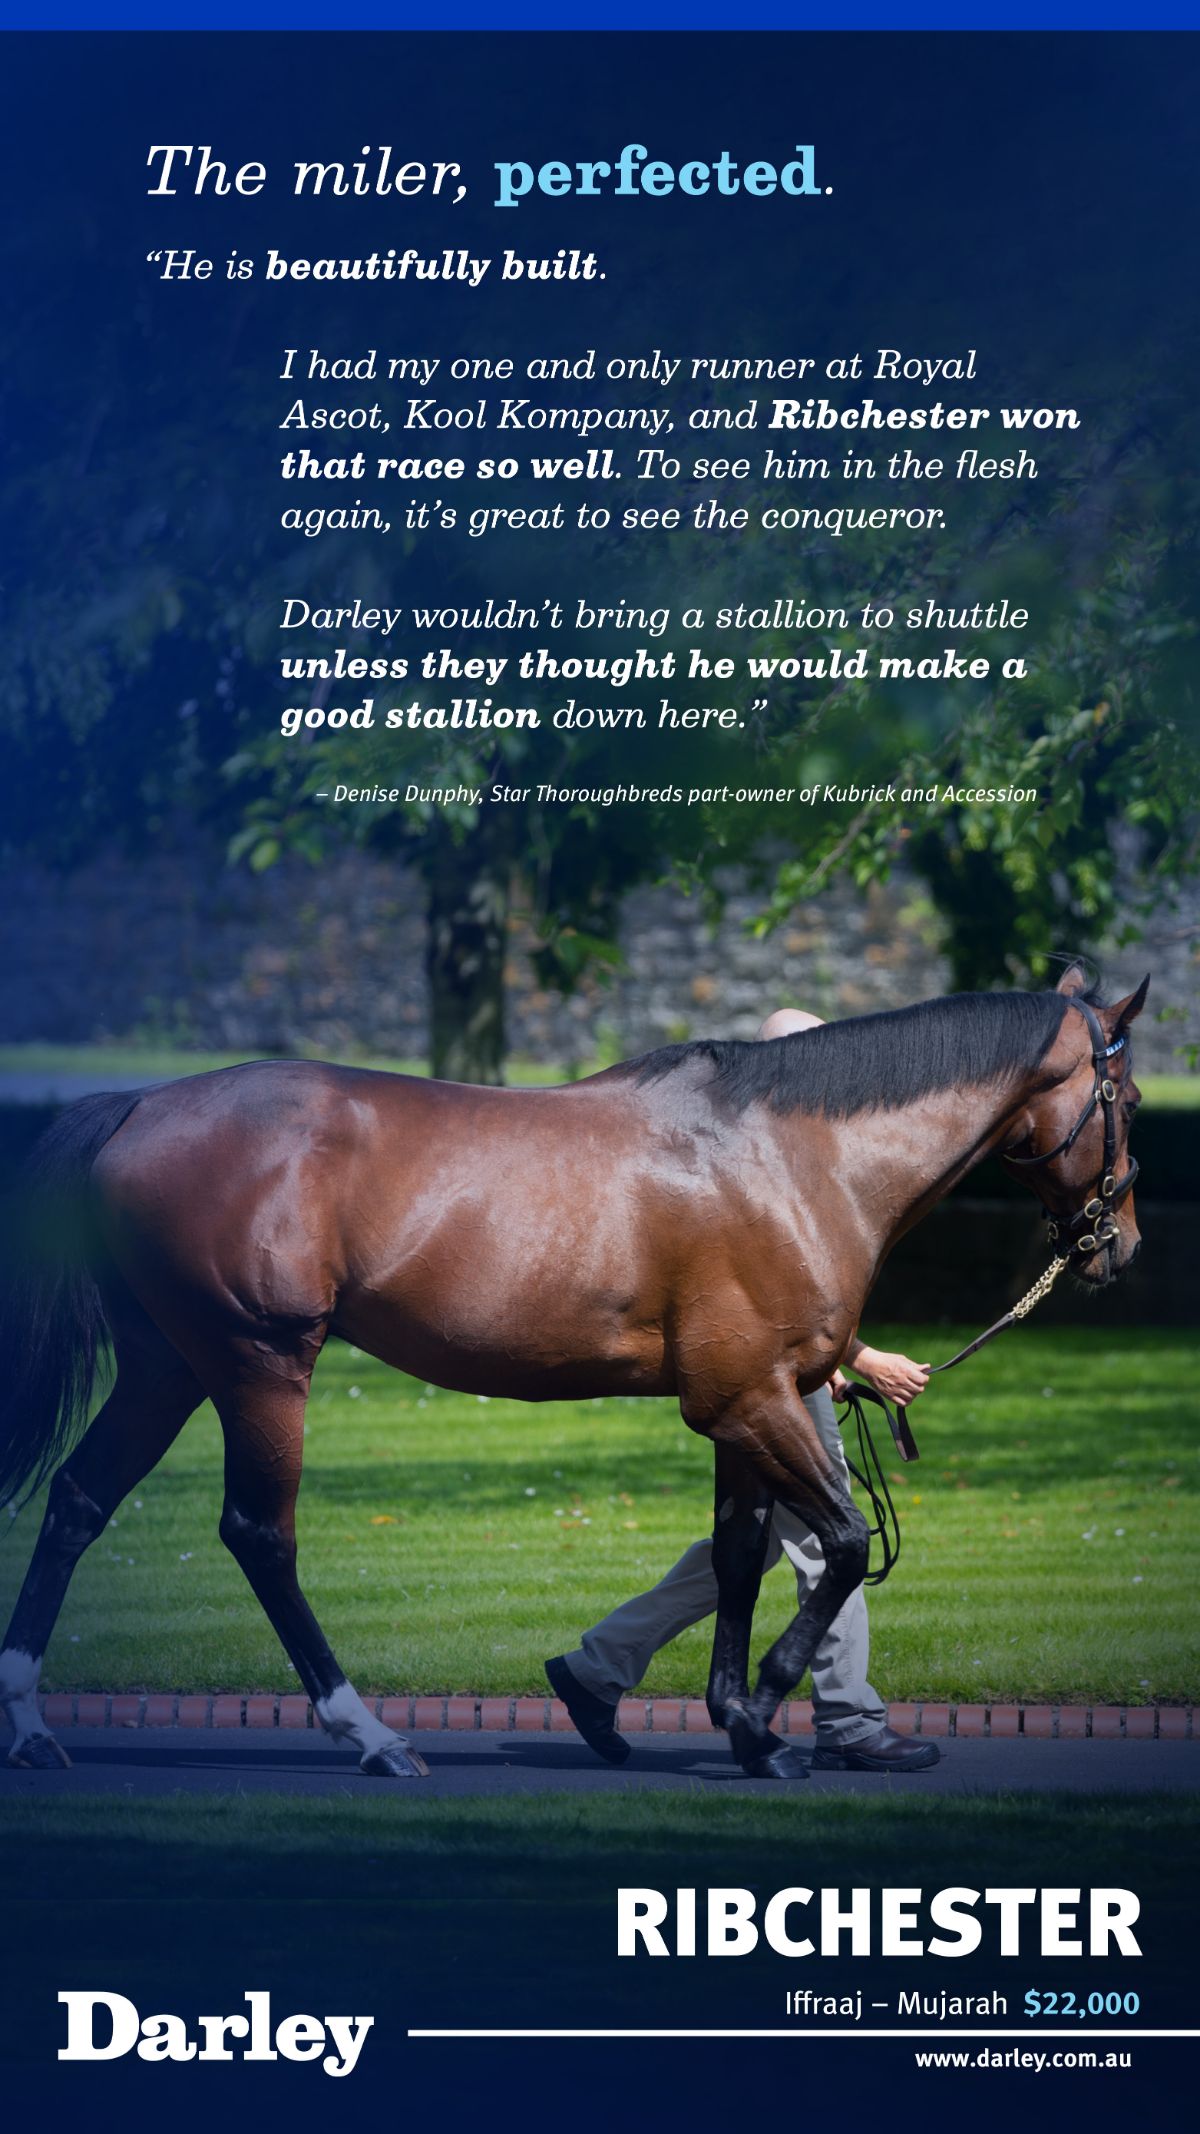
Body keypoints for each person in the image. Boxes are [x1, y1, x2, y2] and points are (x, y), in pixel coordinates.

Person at [546, 1007, 939, 1775]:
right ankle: (849, 1719)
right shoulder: (758, 1159)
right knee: (828, 1535)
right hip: (773, 1382)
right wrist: (863, 1359)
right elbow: (763, 1305)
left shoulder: (784, 1153)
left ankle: (597, 1668)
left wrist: (837, 1356)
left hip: (786, 1370)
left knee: (750, 1547)